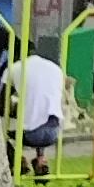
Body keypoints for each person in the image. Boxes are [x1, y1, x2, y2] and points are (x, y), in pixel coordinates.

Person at [12, 31, 70, 174]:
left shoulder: (15, 67)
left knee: (5, 135)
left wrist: (15, 108)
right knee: (42, 117)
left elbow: (2, 102)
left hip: (32, 135)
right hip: (54, 133)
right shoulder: (55, 68)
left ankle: (18, 159)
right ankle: (40, 159)